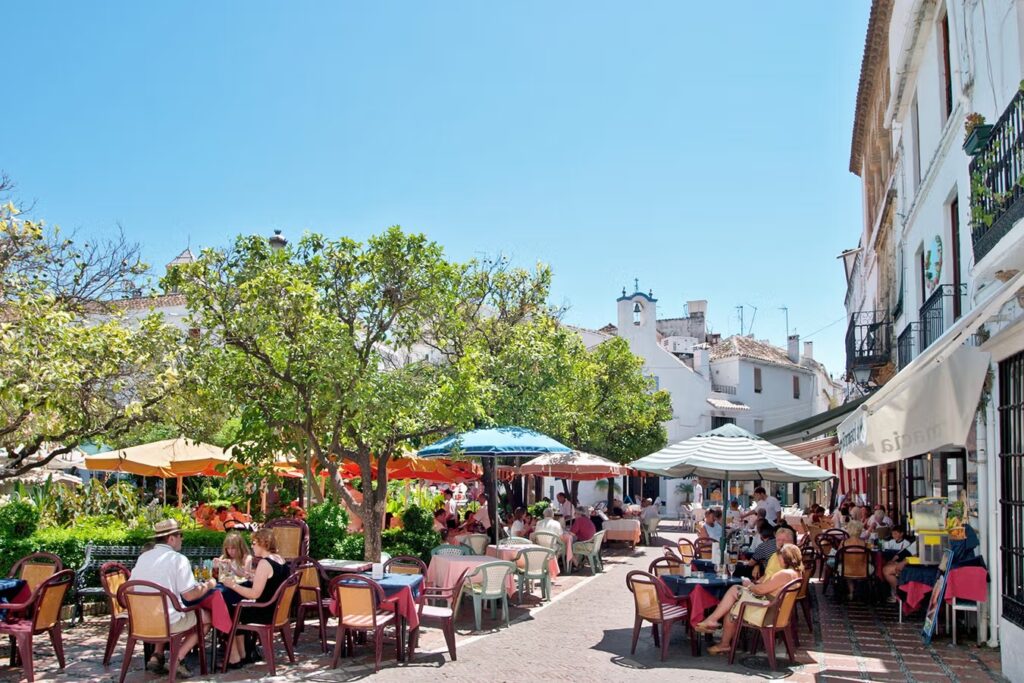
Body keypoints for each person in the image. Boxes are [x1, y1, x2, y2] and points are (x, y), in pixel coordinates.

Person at [130, 520, 215, 677]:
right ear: (171, 538)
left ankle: (157, 655)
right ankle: (177, 659)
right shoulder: (178, 559)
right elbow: (190, 595)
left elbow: (130, 589)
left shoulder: (143, 557)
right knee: (207, 618)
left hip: (141, 622)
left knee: (165, 610)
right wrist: (209, 585)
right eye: (180, 535)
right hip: (167, 622)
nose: (182, 539)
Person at [695, 544, 803, 655]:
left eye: (779, 557)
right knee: (734, 598)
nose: (778, 560)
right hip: (776, 612)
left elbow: (760, 590)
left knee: (733, 599)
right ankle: (719, 634)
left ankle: (719, 635)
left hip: (767, 614)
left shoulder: (784, 574)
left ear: (785, 558)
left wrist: (749, 585)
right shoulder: (797, 574)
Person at [221, 528, 290, 669]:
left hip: (264, 613)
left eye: (254, 543)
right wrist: (252, 577)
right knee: (236, 608)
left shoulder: (265, 564)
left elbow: (254, 594)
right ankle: (244, 653)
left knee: (228, 611)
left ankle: (235, 657)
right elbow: (271, 582)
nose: (252, 547)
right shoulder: (280, 560)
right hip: (276, 611)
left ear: (263, 543)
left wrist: (232, 585)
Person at [881, 525, 917, 602]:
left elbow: (911, 553)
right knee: (887, 566)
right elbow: (906, 551)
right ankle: (897, 593)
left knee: (886, 570)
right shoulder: (918, 540)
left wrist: (903, 562)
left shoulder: (908, 542)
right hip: (906, 561)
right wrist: (893, 560)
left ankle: (898, 594)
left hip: (914, 565)